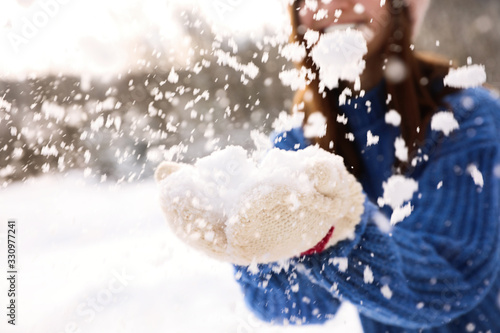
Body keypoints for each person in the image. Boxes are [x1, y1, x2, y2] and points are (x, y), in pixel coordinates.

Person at [155, 0, 500, 331]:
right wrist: (250, 249)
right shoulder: (296, 143)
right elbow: (301, 305)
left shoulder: (468, 116)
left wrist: (333, 228)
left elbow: (449, 280)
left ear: (399, 6)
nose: (334, 3)